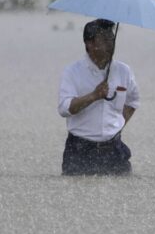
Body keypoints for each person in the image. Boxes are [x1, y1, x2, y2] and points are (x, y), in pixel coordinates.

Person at [58, 19, 140, 175]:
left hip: (114, 150)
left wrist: (117, 126)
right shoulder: (73, 71)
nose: (111, 44)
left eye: (112, 38)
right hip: (79, 150)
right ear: (89, 43)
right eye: (105, 39)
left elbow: (133, 101)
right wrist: (93, 96)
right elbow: (64, 108)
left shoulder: (124, 71)